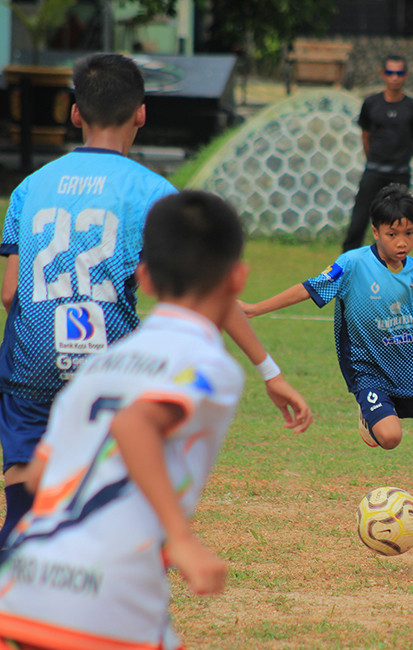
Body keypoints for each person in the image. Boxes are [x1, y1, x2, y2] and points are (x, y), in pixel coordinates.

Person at [0, 53, 312, 550]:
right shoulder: (153, 195)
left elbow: (10, 292)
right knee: (107, 498)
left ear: (75, 112)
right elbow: (204, 287)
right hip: (110, 367)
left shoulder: (29, 189)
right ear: (141, 113)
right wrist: (270, 371)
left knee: (23, 497)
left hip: (31, 365)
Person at [0, 190, 253, 650]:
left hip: (24, 584)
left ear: (145, 276)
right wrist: (181, 537)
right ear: (237, 278)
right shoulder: (209, 363)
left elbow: (38, 476)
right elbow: (135, 423)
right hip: (107, 597)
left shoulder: (99, 368)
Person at [242, 184, 413, 513]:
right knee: (391, 438)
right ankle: (370, 417)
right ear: (376, 231)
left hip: (410, 364)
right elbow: (308, 289)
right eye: (393, 233)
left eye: (409, 233)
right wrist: (254, 308)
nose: (402, 242)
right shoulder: (351, 265)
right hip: (368, 367)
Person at [342, 54, 413, 252]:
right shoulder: (372, 104)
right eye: (390, 73)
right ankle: (344, 269)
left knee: (398, 224)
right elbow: (366, 135)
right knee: (359, 221)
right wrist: (374, 158)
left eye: (399, 73)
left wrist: (401, 157)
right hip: (373, 170)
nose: (394, 77)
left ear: (405, 76)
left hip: (399, 173)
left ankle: (395, 263)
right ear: (383, 75)